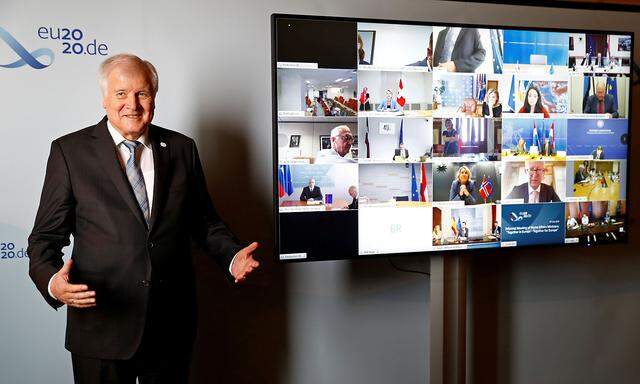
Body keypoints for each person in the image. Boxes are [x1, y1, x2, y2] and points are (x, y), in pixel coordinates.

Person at [27, 54, 260, 383]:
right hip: (101, 328)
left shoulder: (181, 148)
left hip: (169, 330)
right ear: (105, 98)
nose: (132, 104)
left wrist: (231, 255)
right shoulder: (70, 152)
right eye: (121, 93)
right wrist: (54, 284)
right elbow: (44, 240)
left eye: (143, 93)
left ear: (154, 97)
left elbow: (204, 222)